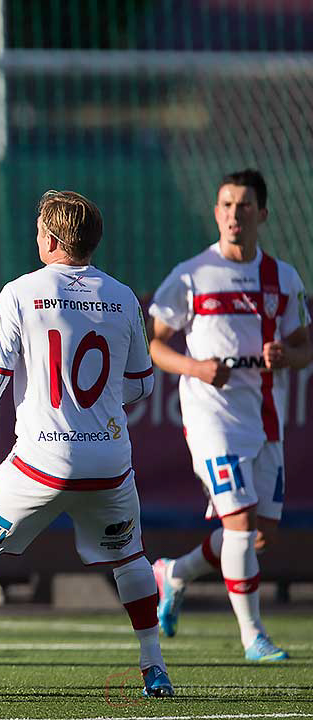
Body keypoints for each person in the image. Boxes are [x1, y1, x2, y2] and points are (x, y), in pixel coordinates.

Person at [0, 191, 173, 697]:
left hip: (42, 462)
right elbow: (142, 384)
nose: (36, 237)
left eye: (38, 230)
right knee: (131, 558)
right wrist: (92, 407)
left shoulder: (21, 292)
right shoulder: (122, 297)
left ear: (50, 239)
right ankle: (155, 667)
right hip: (109, 461)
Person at [148, 169, 310, 662]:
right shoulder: (192, 274)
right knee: (238, 523)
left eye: (242, 206)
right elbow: (154, 343)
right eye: (224, 205)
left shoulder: (283, 277)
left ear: (262, 213)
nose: (232, 215)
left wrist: (287, 356)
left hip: (264, 417)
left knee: (259, 534)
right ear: (215, 212)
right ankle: (253, 636)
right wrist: (195, 366)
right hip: (212, 418)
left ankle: (173, 573)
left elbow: (305, 348)